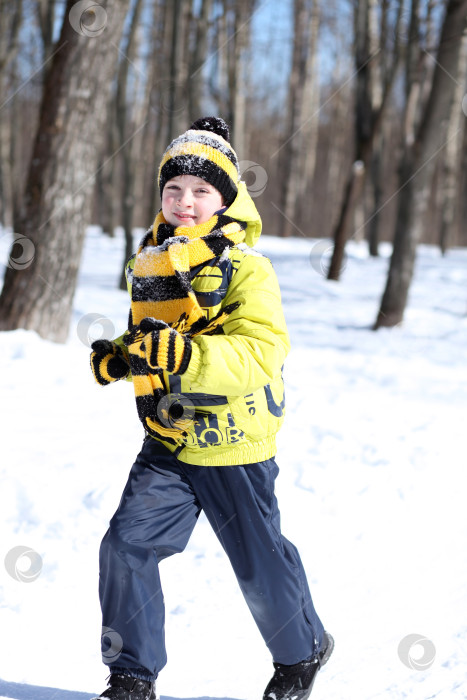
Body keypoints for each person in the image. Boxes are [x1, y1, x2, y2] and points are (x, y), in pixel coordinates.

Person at [90, 117, 333, 700]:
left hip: (233, 440)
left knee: (259, 564)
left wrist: (186, 355)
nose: (185, 201)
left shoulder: (248, 267)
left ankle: (303, 651)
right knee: (124, 546)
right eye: (174, 189)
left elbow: (260, 351)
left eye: (201, 191)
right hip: (168, 439)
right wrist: (124, 356)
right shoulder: (152, 262)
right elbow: (159, 336)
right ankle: (131, 672)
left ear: (226, 199)